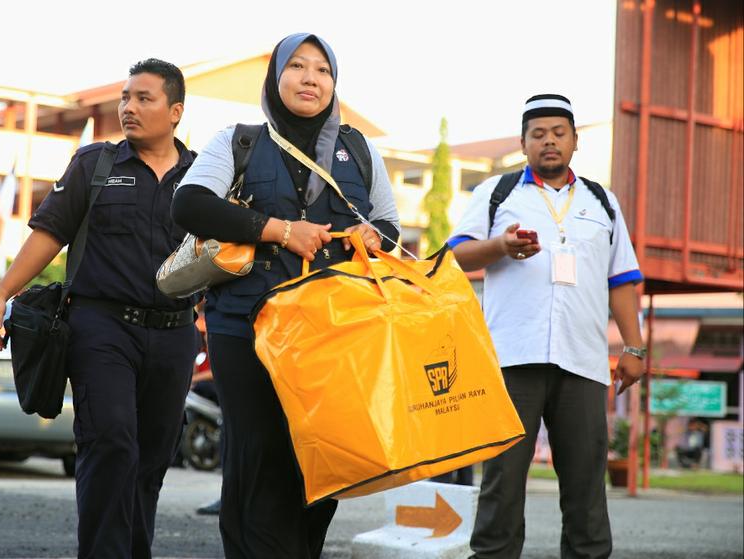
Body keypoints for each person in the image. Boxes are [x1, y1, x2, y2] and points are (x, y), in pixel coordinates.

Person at [172, 32, 400, 559]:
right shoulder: (239, 140)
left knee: (322, 460)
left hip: (334, 331)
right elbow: (190, 204)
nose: (310, 78)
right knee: (259, 453)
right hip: (246, 326)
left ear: (333, 84)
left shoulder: (359, 151)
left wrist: (371, 237)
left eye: (322, 70)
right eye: (297, 66)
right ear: (276, 78)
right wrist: (277, 229)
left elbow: (388, 224)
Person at [0, 58, 200, 558]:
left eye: (143, 98)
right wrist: (2, 293)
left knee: (150, 461)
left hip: (175, 333)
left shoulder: (202, 178)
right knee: (111, 443)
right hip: (101, 328)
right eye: (125, 97)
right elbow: (49, 234)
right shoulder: (94, 164)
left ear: (175, 111)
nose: (128, 107)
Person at [448, 94, 646, 559]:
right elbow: (455, 256)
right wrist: (500, 246)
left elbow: (620, 281)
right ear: (523, 143)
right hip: (512, 359)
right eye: (538, 134)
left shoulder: (603, 202)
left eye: (559, 133)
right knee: (502, 484)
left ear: (575, 141)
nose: (549, 141)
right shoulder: (496, 193)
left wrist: (634, 350)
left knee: (585, 486)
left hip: (582, 362)